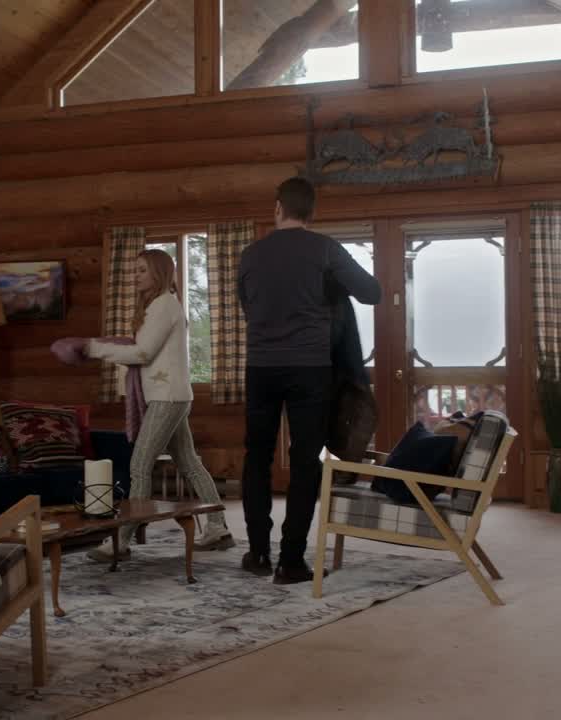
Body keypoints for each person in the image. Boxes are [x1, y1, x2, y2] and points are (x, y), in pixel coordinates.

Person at [238, 176, 382, 584]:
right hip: (310, 369)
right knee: (305, 461)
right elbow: (371, 292)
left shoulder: (250, 254)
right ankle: (291, 562)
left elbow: (248, 305)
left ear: (278, 208)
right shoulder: (325, 249)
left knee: (257, 457)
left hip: (261, 368)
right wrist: (331, 285)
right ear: (311, 213)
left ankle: (258, 553)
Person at [83, 249, 236, 561]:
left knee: (139, 464)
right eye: (134, 270)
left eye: (142, 270)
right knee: (189, 463)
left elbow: (143, 353)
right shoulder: (160, 305)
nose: (135, 275)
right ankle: (218, 528)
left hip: (168, 397)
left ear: (159, 273)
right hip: (172, 395)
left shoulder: (165, 304)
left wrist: (94, 348)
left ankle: (121, 540)